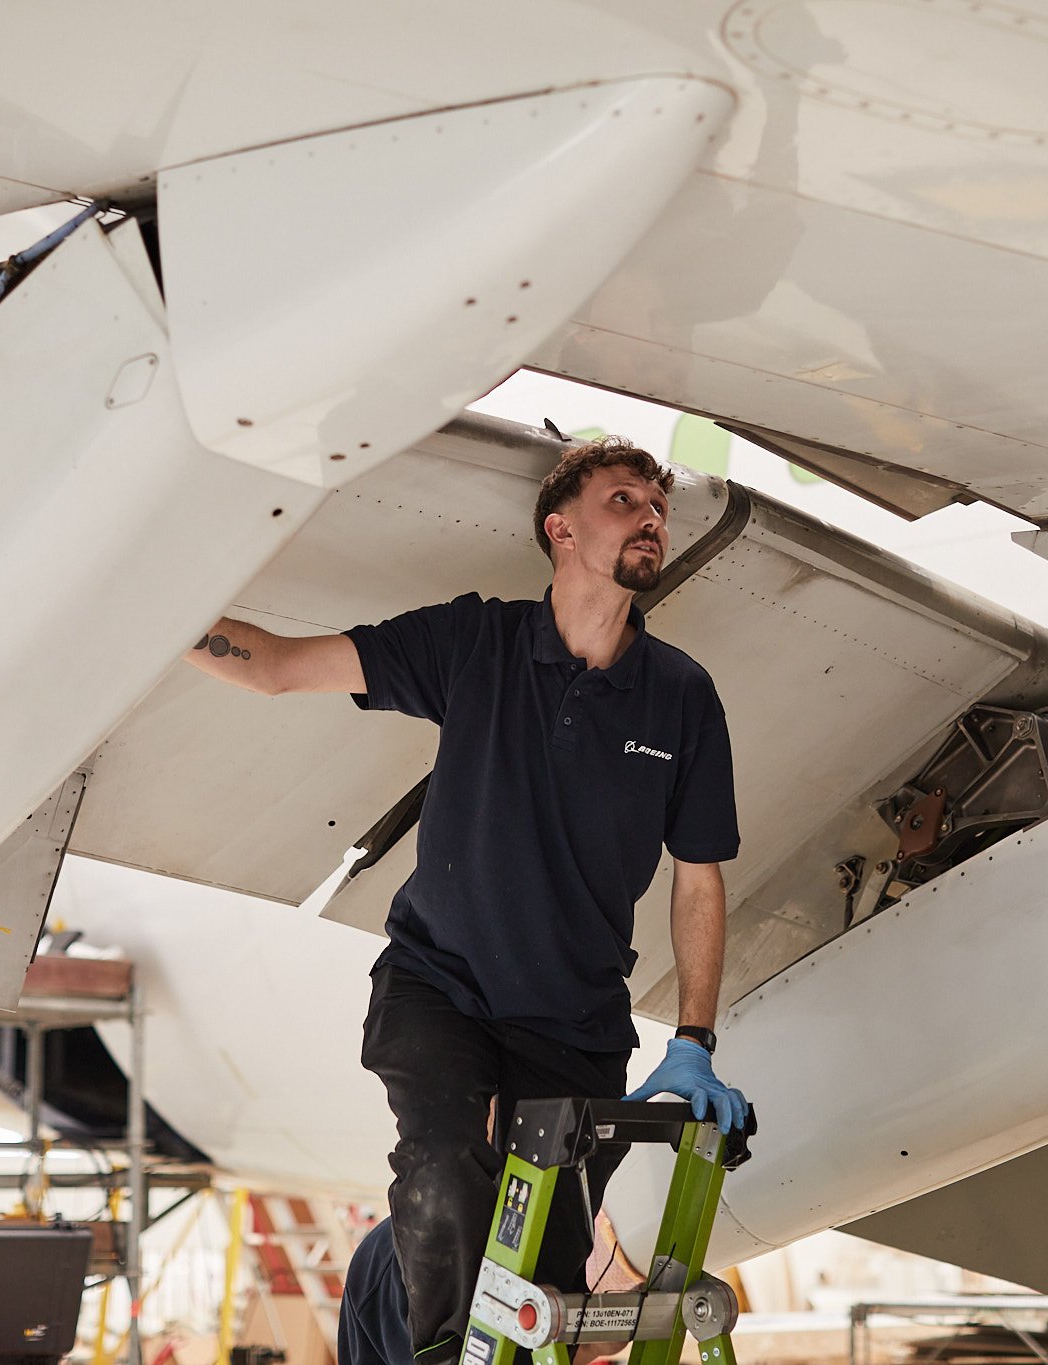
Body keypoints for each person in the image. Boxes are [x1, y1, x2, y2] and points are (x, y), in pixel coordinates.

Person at [187, 436, 750, 1365]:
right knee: (445, 1172)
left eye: (658, 505)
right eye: (624, 500)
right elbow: (276, 665)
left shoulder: (682, 698)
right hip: (438, 986)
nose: (651, 517)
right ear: (559, 528)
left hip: (575, 1019)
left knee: (546, 1277)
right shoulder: (474, 643)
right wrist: (145, 620)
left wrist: (693, 1042)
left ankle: (392, 1277)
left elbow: (700, 875)